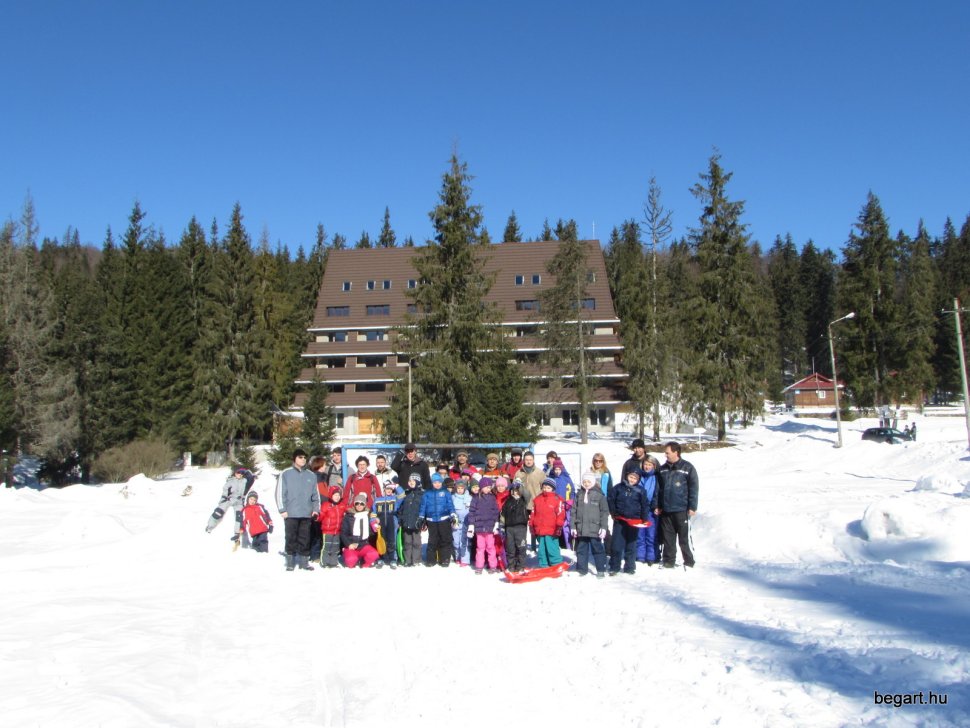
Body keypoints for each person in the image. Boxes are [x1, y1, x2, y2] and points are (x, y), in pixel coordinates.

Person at [652, 441, 699, 569]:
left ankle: (689, 561)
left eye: (667, 453)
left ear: (676, 452)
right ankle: (668, 561)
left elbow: (693, 488)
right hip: (666, 509)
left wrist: (692, 506)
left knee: (684, 538)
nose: (665, 455)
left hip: (681, 509)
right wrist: (657, 505)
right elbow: (658, 489)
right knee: (668, 538)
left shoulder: (687, 468)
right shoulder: (662, 469)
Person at [275, 449, 321, 571]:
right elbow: (280, 492)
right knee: (291, 538)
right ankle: (290, 562)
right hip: (291, 513)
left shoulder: (311, 475)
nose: (303, 459)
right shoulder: (286, 473)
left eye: (304, 457)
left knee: (305, 539)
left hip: (306, 513)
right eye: (300, 457)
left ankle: (304, 562)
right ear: (294, 458)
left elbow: (315, 495)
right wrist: (282, 509)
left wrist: (316, 509)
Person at [608, 469, 651, 575]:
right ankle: (614, 567)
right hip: (620, 520)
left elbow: (645, 505)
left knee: (631, 545)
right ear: (627, 476)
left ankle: (629, 567)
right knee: (617, 545)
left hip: (634, 521)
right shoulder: (618, 488)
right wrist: (614, 513)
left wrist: (644, 518)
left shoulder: (640, 490)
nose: (632, 480)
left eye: (635, 478)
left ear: (638, 480)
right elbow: (611, 500)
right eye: (631, 477)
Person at [571, 472, 609, 577]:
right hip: (581, 528)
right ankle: (582, 569)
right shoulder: (579, 495)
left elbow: (604, 512)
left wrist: (603, 527)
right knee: (581, 549)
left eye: (588, 482)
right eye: (584, 482)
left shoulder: (599, 495)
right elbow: (573, 511)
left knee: (597, 549)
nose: (586, 484)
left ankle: (601, 569)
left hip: (595, 528)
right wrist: (573, 527)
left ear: (593, 482)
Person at [205, 467, 255, 543]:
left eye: (241, 473)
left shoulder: (244, 481)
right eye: (238, 473)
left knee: (239, 516)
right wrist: (223, 500)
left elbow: (251, 478)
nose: (240, 474)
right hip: (229, 499)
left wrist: (246, 471)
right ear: (235, 473)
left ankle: (237, 534)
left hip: (239, 501)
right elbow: (225, 491)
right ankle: (209, 527)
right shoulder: (230, 481)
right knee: (218, 512)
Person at [419, 472, 457, 566]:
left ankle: (444, 559)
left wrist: (453, 514)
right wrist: (421, 517)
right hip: (431, 519)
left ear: (441, 482)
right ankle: (431, 560)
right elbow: (423, 506)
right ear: (432, 483)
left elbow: (450, 504)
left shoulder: (445, 492)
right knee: (432, 540)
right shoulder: (427, 493)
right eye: (435, 482)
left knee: (445, 539)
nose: (437, 484)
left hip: (444, 519)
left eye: (439, 482)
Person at [529, 478, 566, 568]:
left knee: (552, 547)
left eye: (548, 488)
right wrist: (531, 524)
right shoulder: (538, 499)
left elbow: (560, 513)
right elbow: (533, 513)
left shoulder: (557, 499)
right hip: (540, 528)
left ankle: (556, 563)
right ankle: (543, 564)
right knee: (542, 549)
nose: (545, 489)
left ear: (552, 489)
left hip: (552, 529)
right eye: (544, 487)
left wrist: (559, 524)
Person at [467, 478, 501, 574]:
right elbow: (472, 512)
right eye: (486, 487)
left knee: (490, 547)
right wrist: (471, 525)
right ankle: (479, 566)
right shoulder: (476, 498)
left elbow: (495, 512)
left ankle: (493, 565)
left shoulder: (492, 498)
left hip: (490, 527)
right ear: (481, 487)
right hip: (479, 528)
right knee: (480, 548)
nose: (488, 489)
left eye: (489, 487)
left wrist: (496, 523)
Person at [341, 493, 380, 568]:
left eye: (362, 504)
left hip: (364, 544)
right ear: (354, 504)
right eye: (357, 503)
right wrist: (349, 544)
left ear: (364, 505)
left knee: (374, 555)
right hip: (352, 545)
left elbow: (371, 533)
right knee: (350, 562)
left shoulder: (368, 516)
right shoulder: (349, 516)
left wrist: (376, 525)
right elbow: (343, 533)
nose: (359, 505)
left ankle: (364, 563)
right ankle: (348, 554)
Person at [636, 456, 661, 565]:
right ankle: (640, 556)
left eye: (649, 465)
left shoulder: (656, 477)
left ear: (654, 466)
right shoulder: (639, 476)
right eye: (645, 464)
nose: (647, 467)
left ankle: (652, 556)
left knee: (651, 534)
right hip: (639, 509)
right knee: (640, 534)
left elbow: (658, 493)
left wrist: (656, 506)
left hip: (651, 509)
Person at [396, 474, 425, 567]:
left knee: (416, 542)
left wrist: (423, 521)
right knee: (407, 542)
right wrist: (400, 520)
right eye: (410, 481)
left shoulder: (421, 494)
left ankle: (416, 559)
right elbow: (400, 508)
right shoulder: (406, 493)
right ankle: (407, 560)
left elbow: (424, 508)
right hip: (406, 522)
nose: (411, 483)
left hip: (416, 522)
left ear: (418, 482)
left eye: (413, 481)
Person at [501, 481, 530, 573]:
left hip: (521, 528)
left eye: (517, 491)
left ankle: (520, 566)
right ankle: (511, 566)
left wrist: (520, 485)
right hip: (509, 528)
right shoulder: (508, 502)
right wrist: (501, 525)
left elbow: (527, 494)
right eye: (513, 491)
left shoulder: (524, 500)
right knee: (510, 548)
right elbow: (503, 515)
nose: (515, 493)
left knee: (521, 547)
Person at [372, 480, 400, 569]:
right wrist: (373, 521)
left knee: (392, 540)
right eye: (387, 488)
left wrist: (396, 486)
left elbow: (403, 495)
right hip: (381, 523)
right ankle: (381, 558)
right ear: (384, 489)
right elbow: (373, 513)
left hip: (392, 521)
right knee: (382, 540)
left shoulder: (395, 498)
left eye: (391, 489)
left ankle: (393, 559)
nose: (389, 490)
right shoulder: (377, 500)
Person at [590, 452, 615, 552]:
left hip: (603, 500)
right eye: (596, 460)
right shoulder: (589, 471)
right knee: (593, 525)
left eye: (600, 461)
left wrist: (610, 504)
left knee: (604, 525)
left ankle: (608, 548)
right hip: (591, 501)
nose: (598, 463)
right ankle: (595, 547)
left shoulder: (606, 473)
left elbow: (610, 489)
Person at [549, 459, 575, 549]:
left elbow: (572, 491)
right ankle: (557, 543)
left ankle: (567, 544)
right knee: (555, 524)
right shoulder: (551, 479)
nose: (557, 471)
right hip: (554, 506)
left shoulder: (567, 479)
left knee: (565, 525)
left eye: (559, 469)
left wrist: (570, 501)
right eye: (555, 469)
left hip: (565, 506)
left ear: (562, 469)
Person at [317, 485, 345, 568]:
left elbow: (347, 511)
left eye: (338, 495)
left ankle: (333, 562)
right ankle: (324, 562)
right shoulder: (326, 505)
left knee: (335, 547)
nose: (337, 497)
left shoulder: (341, 506)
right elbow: (320, 516)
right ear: (331, 495)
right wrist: (316, 517)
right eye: (335, 495)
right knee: (327, 547)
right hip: (327, 531)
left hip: (337, 531)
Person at [452, 477, 473, 566]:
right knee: (456, 542)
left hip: (466, 523)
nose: (460, 490)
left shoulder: (469, 498)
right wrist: (453, 518)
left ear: (465, 488)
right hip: (456, 522)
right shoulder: (453, 497)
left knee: (464, 542)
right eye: (458, 488)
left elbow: (472, 510)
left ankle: (465, 560)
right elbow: (451, 509)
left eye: (462, 488)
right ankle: (458, 557)